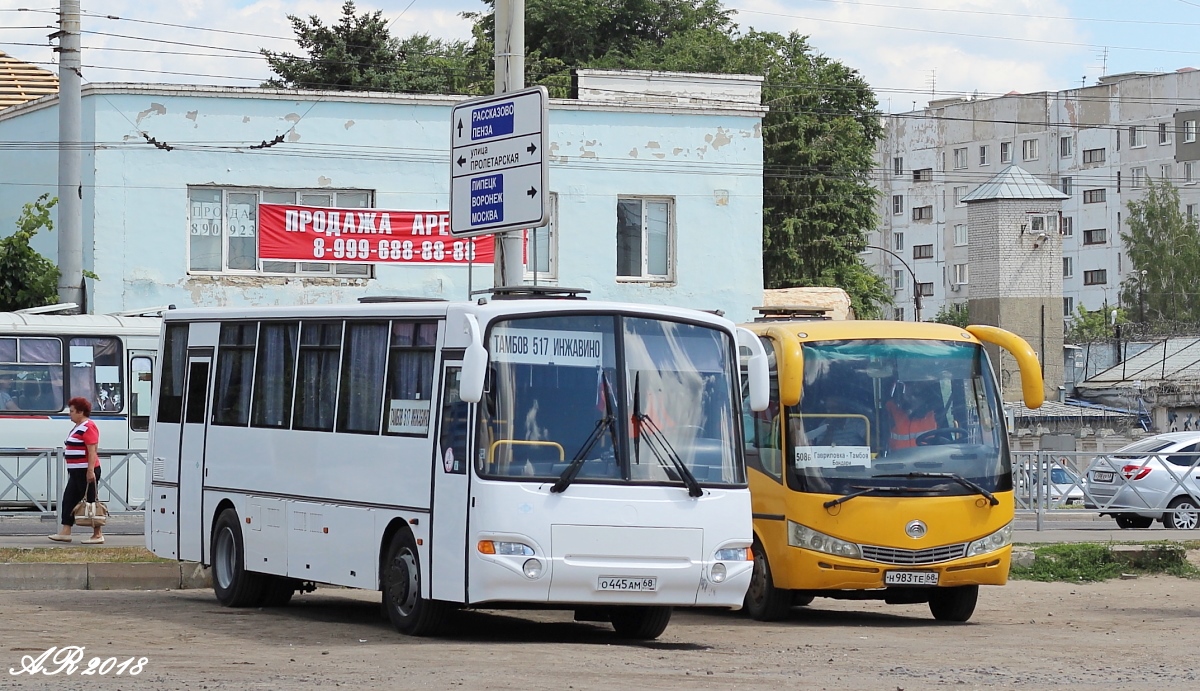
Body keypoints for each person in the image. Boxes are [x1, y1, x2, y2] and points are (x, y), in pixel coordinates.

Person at [49, 397, 104, 544]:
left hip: (85, 471)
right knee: (69, 500)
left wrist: (90, 470)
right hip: (75, 471)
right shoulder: (78, 426)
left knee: (91, 501)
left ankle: (98, 534)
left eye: (72, 411)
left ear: (81, 412)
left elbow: (92, 450)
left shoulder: (88, 426)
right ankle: (65, 531)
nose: (70, 414)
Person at [885, 380, 940, 451]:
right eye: (908, 387)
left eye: (917, 392)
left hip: (929, 459)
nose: (911, 396)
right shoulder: (891, 408)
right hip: (896, 459)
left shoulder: (935, 411)